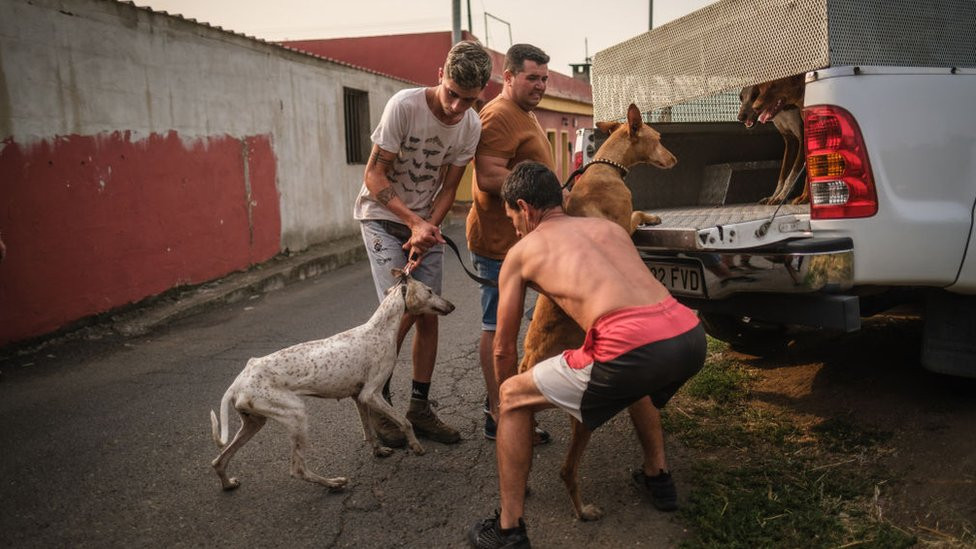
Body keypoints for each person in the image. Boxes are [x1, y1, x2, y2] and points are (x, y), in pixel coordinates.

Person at [468, 162, 707, 548]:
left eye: (512, 216)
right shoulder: (611, 228)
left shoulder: (522, 250)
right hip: (688, 337)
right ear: (560, 198)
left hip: (632, 349)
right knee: (636, 376)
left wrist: (502, 401)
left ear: (526, 208)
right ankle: (658, 477)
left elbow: (502, 349)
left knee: (513, 398)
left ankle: (508, 530)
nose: (514, 227)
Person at [354, 40, 492, 447]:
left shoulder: (471, 125)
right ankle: (380, 404)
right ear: (439, 76)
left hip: (423, 224)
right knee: (399, 313)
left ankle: (419, 407)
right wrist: (413, 222)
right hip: (381, 218)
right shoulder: (404, 106)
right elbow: (374, 176)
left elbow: (449, 188)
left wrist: (428, 229)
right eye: (452, 94)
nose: (456, 107)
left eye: (468, 100)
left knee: (428, 313)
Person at [466, 43, 554, 442]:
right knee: (497, 329)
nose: (540, 85)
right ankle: (498, 414)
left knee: (519, 326)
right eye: (532, 77)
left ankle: (514, 408)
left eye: (544, 78)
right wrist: (546, 195)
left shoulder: (525, 113)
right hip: (499, 243)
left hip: (522, 243)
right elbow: (487, 176)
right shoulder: (499, 114)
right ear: (509, 76)